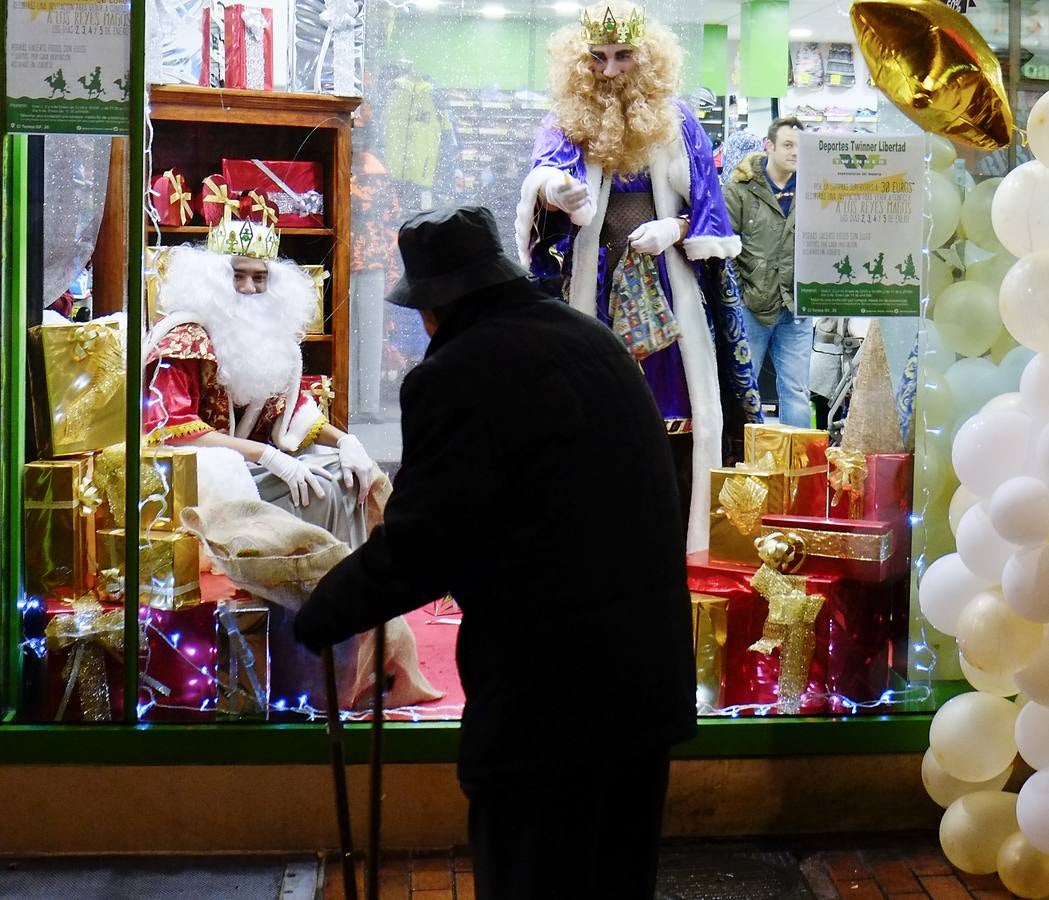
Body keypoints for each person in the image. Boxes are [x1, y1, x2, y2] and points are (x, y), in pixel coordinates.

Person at [294, 206, 697, 900]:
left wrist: (324, 607)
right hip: (642, 683)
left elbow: (427, 540)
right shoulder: (593, 342)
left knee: (532, 878)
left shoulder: (459, 372)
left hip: (548, 701)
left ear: (435, 305)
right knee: (616, 879)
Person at [514, 1, 761, 553]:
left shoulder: (680, 121)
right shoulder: (565, 121)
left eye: (623, 55)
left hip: (666, 293)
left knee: (674, 414)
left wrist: (674, 230)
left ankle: (671, 540)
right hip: (593, 289)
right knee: (590, 411)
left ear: (645, 58)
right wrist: (555, 191)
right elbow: (543, 181)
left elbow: (708, 210)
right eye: (597, 58)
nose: (609, 70)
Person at [143, 215, 377, 542]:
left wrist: (345, 441)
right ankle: (316, 578)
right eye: (238, 276)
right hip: (194, 476)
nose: (249, 288)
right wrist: (264, 455)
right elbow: (170, 427)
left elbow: (286, 408)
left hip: (244, 464)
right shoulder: (183, 339)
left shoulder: (262, 341)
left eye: (259, 278)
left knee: (345, 474)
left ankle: (345, 575)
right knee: (322, 491)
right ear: (211, 280)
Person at [722, 116, 812, 427]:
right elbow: (725, 246)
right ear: (769, 145)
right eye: (788, 145)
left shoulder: (816, 189)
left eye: (800, 146)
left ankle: (799, 469)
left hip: (797, 308)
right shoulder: (740, 189)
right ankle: (742, 461)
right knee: (743, 390)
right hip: (752, 308)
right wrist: (741, 294)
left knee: (797, 391)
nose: (795, 152)